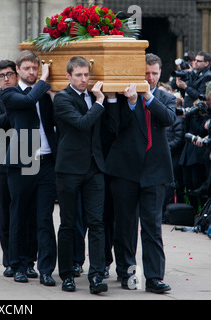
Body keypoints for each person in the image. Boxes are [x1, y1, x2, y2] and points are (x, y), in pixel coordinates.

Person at [105, 53, 176, 293]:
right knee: (124, 225)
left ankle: (154, 277)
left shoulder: (166, 97)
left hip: (155, 172)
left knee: (152, 226)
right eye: (146, 73)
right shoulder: (126, 96)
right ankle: (126, 271)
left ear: (160, 74)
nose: (151, 77)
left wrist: (148, 97)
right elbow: (116, 126)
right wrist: (133, 102)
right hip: (125, 170)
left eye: (155, 73)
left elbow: (168, 119)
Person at [53, 56, 118, 294]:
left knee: (97, 223)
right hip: (69, 169)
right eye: (79, 75)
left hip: (94, 169)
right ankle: (68, 274)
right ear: (69, 75)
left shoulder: (94, 95)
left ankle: (97, 275)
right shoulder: (62, 98)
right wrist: (100, 103)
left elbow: (111, 128)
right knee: (69, 224)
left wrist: (109, 100)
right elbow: (81, 124)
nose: (83, 79)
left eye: (86, 75)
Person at [0, 50, 58, 286]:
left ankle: (45, 269)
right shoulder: (10, 93)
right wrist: (44, 81)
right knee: (19, 216)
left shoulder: (43, 94)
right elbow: (27, 101)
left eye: (36, 68)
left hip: (46, 162)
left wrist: (52, 93)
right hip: (21, 164)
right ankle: (19, 265)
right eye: (27, 69)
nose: (32, 72)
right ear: (18, 71)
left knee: (44, 218)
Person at [0, 59, 37, 278]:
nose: (6, 79)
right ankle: (10, 260)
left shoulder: (28, 95)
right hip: (3, 163)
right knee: (7, 213)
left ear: (16, 75)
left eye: (9, 74)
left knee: (30, 214)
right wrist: (17, 106)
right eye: (1, 76)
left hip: (28, 159)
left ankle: (29, 260)